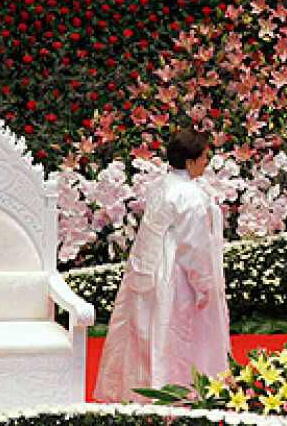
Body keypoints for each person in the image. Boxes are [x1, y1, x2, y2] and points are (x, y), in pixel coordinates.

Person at [95, 129, 230, 401]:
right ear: (191, 161)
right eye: (204, 156)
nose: (207, 161)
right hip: (176, 276)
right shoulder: (190, 196)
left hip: (148, 267)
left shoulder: (161, 185)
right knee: (178, 334)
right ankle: (182, 392)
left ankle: (143, 391)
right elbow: (194, 248)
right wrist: (205, 285)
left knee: (148, 331)